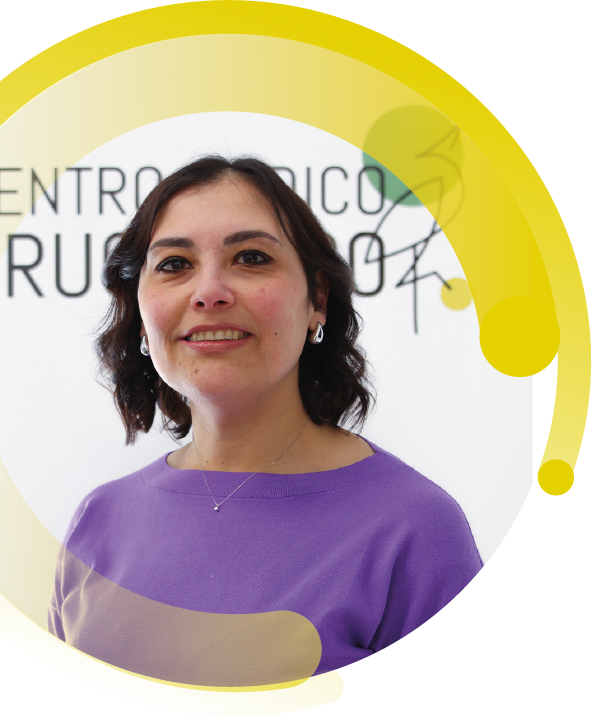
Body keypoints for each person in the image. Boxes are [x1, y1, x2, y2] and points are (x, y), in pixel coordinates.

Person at [48, 156, 483, 687]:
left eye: (251, 258)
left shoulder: (415, 528)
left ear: (317, 299)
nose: (209, 292)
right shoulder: (98, 519)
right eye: (174, 264)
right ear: (139, 312)